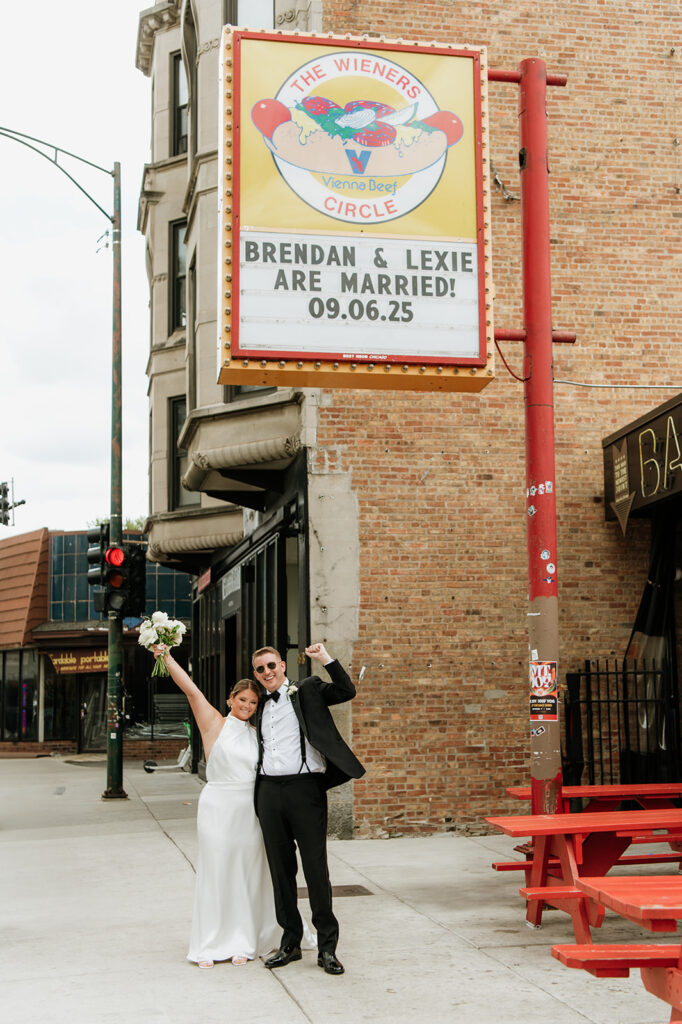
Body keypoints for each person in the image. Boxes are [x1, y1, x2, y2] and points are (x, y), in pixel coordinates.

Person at [151, 647, 282, 969]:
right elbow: (190, 688)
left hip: (249, 811)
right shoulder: (213, 724)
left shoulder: (257, 735)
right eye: (243, 700)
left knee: (247, 874)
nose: (248, 707)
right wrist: (165, 656)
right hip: (218, 807)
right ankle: (209, 943)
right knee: (216, 872)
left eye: (253, 703)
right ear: (230, 699)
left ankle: (244, 938)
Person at [252, 641, 365, 975]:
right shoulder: (258, 704)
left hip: (305, 789)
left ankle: (327, 948)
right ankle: (290, 943)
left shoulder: (308, 689)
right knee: (280, 869)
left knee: (315, 868)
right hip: (269, 792)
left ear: (283, 666)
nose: (267, 672)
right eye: (260, 669)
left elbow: (347, 690)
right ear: (256, 675)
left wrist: (325, 659)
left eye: (272, 665)